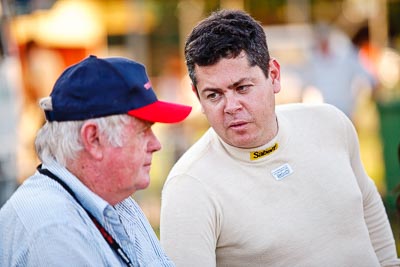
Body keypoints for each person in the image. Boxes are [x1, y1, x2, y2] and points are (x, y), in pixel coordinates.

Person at [159, 9, 400, 267]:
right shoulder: (189, 186)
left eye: (242, 88)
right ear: (197, 95)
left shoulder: (331, 124)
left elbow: (369, 212)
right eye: (214, 95)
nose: (231, 106)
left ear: (273, 75)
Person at [0, 55, 192, 266]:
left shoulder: (114, 197)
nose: (156, 144)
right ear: (93, 138)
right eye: (142, 131)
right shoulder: (52, 228)